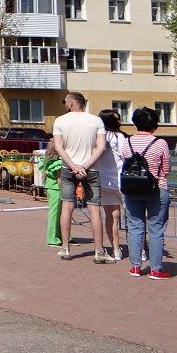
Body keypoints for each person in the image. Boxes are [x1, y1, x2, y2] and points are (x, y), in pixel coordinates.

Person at [53, 92, 107, 262]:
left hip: (69, 168)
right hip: (91, 169)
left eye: (65, 102)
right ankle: (99, 251)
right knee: (94, 208)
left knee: (67, 206)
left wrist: (73, 166)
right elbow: (101, 147)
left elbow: (59, 148)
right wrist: (84, 166)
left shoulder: (60, 121)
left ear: (71, 104)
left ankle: (65, 248)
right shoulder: (96, 121)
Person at [120, 107, 171, 279]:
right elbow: (166, 169)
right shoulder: (160, 143)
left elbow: (125, 162)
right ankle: (155, 269)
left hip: (132, 189)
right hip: (156, 189)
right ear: (154, 124)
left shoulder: (126, 142)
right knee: (156, 229)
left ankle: (135, 267)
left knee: (135, 227)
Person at [98, 109, 127, 262]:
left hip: (104, 181)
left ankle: (115, 249)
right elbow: (125, 156)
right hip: (122, 180)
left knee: (112, 216)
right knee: (134, 217)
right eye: (117, 119)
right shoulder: (119, 136)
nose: (120, 122)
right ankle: (140, 249)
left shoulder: (97, 138)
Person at [39, 137, 64, 247]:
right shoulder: (57, 163)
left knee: (59, 214)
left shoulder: (47, 160)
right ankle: (53, 238)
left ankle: (61, 235)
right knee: (55, 214)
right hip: (56, 190)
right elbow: (60, 181)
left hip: (51, 188)